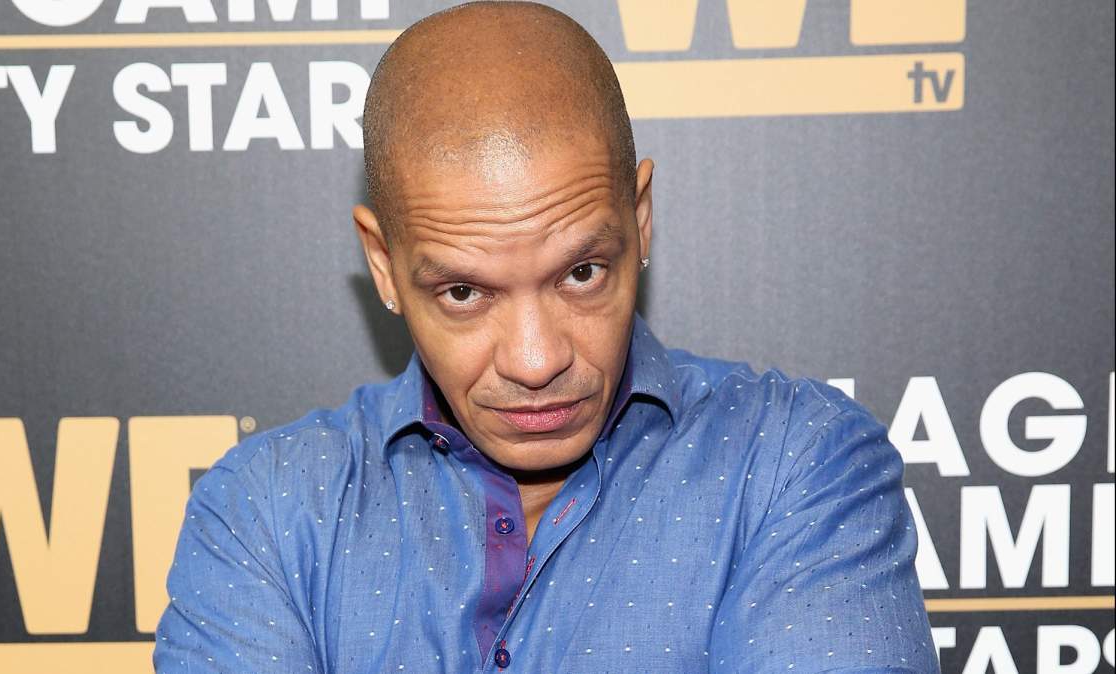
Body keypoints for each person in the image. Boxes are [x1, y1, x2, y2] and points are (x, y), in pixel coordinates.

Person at [153, 2, 938, 671]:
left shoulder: (793, 464)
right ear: (384, 266)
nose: (537, 361)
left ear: (640, 221)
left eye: (582, 274)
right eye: (464, 293)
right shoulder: (268, 512)